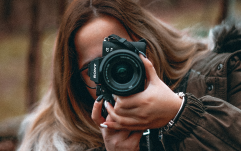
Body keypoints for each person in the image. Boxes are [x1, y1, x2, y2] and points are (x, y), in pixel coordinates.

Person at [18, 0, 241, 150]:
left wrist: (180, 114)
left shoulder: (223, 73)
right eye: (95, 67)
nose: (116, 71)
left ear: (150, 42)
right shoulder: (59, 142)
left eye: (120, 54)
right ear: (76, 83)